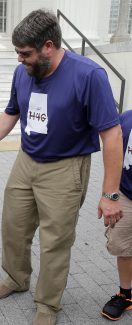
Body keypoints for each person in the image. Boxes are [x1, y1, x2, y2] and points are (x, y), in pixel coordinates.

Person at [0, 9, 123, 325]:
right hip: (27, 161)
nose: (19, 60)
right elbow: (11, 112)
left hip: (66, 168)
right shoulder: (23, 73)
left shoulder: (89, 75)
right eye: (17, 53)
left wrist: (110, 193)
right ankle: (16, 277)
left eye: (25, 53)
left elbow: (112, 134)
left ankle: (48, 303)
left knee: (55, 240)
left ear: (48, 46)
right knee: (13, 226)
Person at [101, 110, 132, 321]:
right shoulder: (126, 118)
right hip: (126, 194)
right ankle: (126, 295)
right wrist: (108, 196)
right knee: (123, 247)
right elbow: (112, 156)